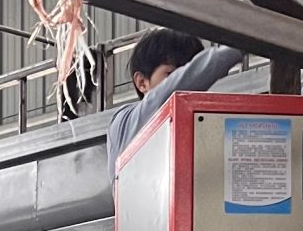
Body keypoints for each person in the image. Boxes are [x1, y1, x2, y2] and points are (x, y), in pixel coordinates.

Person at [104, 29, 246, 166]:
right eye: (171, 74)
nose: (189, 83)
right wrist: (239, 45)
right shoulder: (124, 123)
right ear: (142, 82)